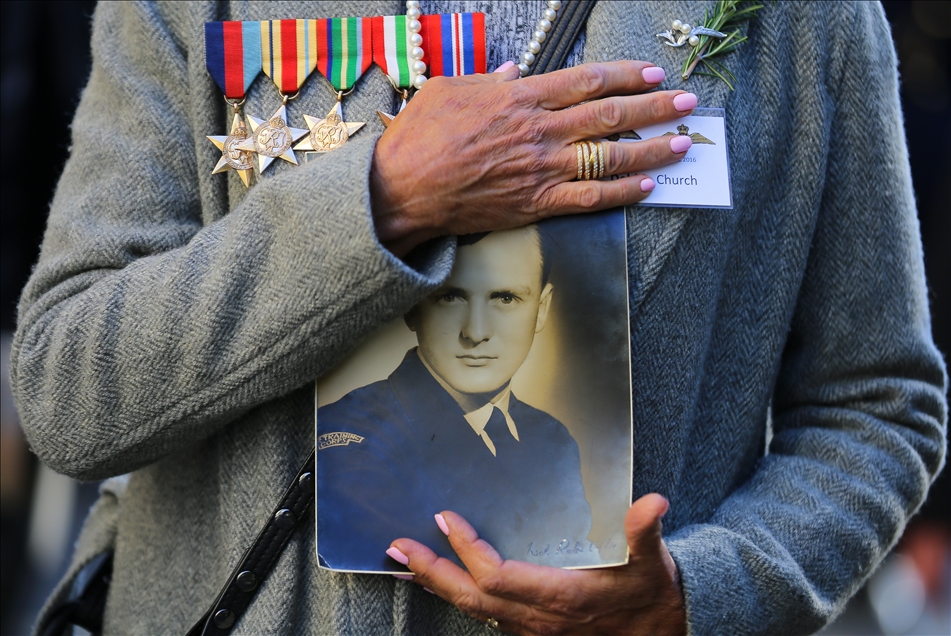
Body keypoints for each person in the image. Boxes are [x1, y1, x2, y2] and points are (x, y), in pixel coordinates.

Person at [10, 2, 946, 635]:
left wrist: (704, 597)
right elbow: (67, 387)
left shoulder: (803, 17)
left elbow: (876, 403)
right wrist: (382, 201)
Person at [317, 225, 596, 572]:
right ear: (410, 303)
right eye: (450, 296)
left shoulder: (553, 440)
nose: (476, 332)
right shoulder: (350, 438)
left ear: (541, 309)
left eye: (505, 298)